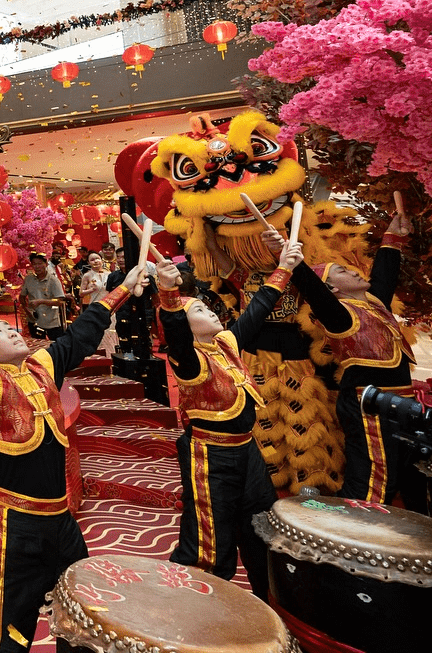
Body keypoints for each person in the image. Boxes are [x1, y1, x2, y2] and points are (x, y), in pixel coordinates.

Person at [0, 256, 148, 653]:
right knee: (1, 625)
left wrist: (122, 288)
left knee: (82, 611)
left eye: (8, 327)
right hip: (16, 527)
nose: (11, 333)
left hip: (62, 522)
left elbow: (83, 333)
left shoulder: (43, 366)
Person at [155, 239, 303, 599]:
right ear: (188, 329)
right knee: (210, 540)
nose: (211, 312)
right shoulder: (188, 362)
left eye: (207, 308)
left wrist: (284, 267)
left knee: (261, 525)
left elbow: (257, 310)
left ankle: (270, 600)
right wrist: (168, 292)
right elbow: (173, 331)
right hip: (209, 456)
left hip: (247, 452)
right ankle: (203, 611)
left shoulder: (226, 344)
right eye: (200, 312)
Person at [278, 210, 424, 510]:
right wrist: (296, 266)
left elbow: (384, 275)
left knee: (413, 473)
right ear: (332, 289)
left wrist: (393, 237)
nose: (355, 271)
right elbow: (315, 293)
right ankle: (357, 536)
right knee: (376, 478)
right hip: (369, 404)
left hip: (402, 401)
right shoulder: (339, 316)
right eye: (341, 272)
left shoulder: (372, 304)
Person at [19, 253, 65, 339]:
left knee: (54, 347)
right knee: (37, 346)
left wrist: (40, 302)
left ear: (46, 264)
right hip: (34, 321)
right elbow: (22, 297)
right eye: (34, 264)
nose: (37, 266)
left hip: (51, 322)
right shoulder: (28, 279)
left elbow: (59, 302)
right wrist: (26, 310)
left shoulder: (53, 280)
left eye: (40, 263)